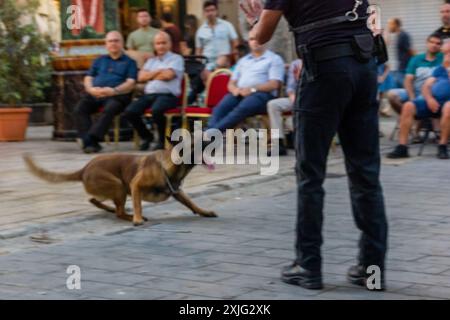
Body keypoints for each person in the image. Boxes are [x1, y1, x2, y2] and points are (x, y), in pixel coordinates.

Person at [241, 0, 388, 290]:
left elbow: (260, 36)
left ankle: (308, 267)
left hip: (325, 70)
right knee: (366, 174)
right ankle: (372, 272)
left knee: (310, 174)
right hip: (364, 66)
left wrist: (256, 21)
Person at [206, 30, 285, 132]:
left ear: (265, 40)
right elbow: (231, 83)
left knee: (242, 108)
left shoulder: (274, 59)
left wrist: (252, 89)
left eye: (258, 38)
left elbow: (274, 84)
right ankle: (210, 134)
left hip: (262, 95)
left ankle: (211, 134)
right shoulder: (243, 61)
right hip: (240, 93)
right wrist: (234, 89)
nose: (255, 41)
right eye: (252, 39)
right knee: (220, 108)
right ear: (248, 42)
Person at [74, 31, 137, 154]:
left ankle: (90, 140)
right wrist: (90, 89)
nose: (113, 43)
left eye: (116, 40)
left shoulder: (130, 62)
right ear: (106, 44)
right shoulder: (99, 60)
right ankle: (90, 143)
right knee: (79, 109)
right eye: (110, 41)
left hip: (118, 96)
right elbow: (88, 78)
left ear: (122, 43)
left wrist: (114, 91)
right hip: (96, 93)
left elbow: (131, 83)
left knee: (110, 108)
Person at [387, 41, 450, 160]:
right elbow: (426, 86)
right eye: (445, 53)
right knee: (408, 106)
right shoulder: (439, 70)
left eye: (448, 53)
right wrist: (430, 99)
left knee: (448, 107)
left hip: (448, 104)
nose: (445, 57)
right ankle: (402, 147)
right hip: (433, 102)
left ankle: (442, 146)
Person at [123, 32, 184, 151]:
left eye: (164, 43)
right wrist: (159, 71)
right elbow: (140, 77)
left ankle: (162, 140)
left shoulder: (176, 58)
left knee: (157, 110)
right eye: (158, 43)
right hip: (149, 95)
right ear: (154, 45)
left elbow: (168, 75)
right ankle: (147, 137)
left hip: (168, 95)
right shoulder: (151, 61)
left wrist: (150, 75)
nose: (161, 46)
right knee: (130, 111)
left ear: (170, 44)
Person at [387, 34, 443, 115]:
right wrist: (412, 98)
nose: (434, 45)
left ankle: (412, 117)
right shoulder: (416, 59)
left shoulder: (443, 59)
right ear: (427, 43)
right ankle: (408, 115)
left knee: (420, 100)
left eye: (438, 43)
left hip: (431, 94)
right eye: (432, 42)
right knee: (391, 95)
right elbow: (408, 80)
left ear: (441, 46)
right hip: (415, 92)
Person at [267, 59, 302, 155]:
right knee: (273, 104)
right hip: (296, 98)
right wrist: (292, 95)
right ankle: (278, 143)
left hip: (313, 100)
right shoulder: (295, 64)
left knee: (290, 122)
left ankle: (295, 138)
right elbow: (290, 87)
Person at [196, 1, 239, 73]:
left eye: (212, 10)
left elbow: (235, 43)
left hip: (224, 62)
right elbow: (198, 51)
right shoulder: (200, 31)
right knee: (206, 76)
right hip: (207, 64)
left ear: (217, 11)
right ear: (204, 13)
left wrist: (233, 59)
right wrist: (199, 67)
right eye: (207, 11)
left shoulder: (227, 25)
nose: (210, 13)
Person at [384, 18, 413, 88]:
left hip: (402, 67)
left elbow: (410, 50)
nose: (388, 26)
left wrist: (414, 64)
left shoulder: (403, 35)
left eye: (390, 24)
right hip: (395, 67)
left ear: (396, 25)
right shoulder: (394, 35)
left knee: (404, 87)